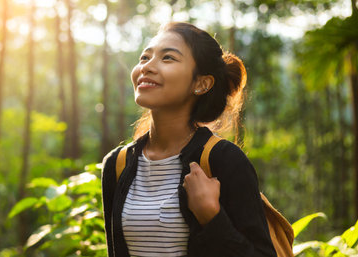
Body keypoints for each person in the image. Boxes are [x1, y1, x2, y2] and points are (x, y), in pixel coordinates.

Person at [101, 22, 277, 257]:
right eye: (144, 57)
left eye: (168, 58)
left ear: (201, 83)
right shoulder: (117, 164)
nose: (147, 67)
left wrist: (212, 217)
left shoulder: (223, 160)